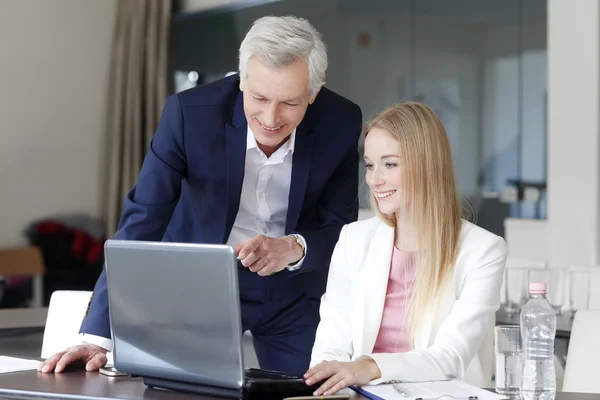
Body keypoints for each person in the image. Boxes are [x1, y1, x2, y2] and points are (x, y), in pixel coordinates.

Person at [39, 15, 362, 376]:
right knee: (183, 392)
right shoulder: (189, 116)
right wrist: (98, 337)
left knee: (303, 392)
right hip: (201, 287)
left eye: (289, 103)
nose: (270, 118)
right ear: (241, 81)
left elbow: (341, 229)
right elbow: (144, 218)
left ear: (314, 92)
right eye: (259, 97)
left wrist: (293, 248)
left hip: (294, 290)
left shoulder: (342, 122)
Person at [303, 102, 507, 396]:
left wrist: (368, 367)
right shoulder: (353, 239)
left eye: (390, 164)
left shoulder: (483, 250)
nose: (374, 179)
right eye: (370, 165)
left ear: (426, 164)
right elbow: (330, 346)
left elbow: (449, 357)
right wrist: (331, 379)